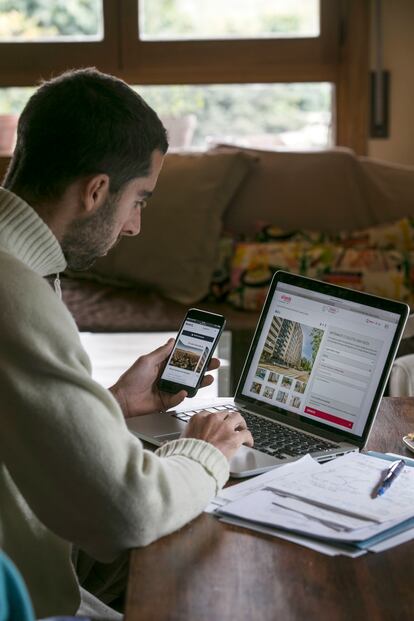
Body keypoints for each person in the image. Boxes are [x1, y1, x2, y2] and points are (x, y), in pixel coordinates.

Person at [0, 68, 253, 621]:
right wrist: (206, 450)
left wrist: (113, 404)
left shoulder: (18, 268)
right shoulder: (12, 291)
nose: (135, 225)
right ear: (96, 191)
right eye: (139, 199)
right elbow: (127, 511)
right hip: (31, 594)